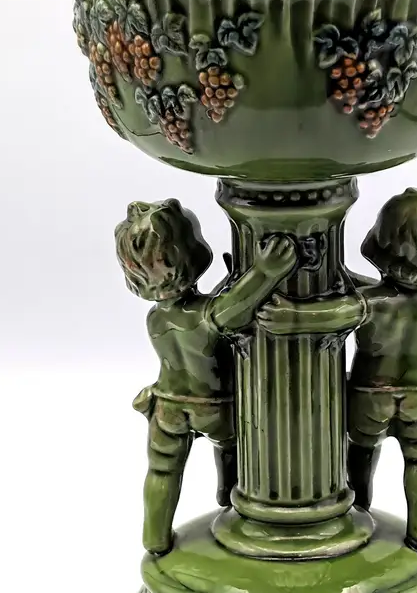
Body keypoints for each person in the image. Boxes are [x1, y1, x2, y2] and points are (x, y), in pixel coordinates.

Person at [115, 200, 297, 555]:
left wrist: (234, 283)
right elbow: (232, 311)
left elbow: (218, 307)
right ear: (188, 254)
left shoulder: (157, 318)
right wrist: (265, 272)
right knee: (234, 448)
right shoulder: (203, 315)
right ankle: (229, 499)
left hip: (166, 406)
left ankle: (155, 536)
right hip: (215, 406)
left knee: (163, 471)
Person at [346, 187, 417, 552]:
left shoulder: (369, 305)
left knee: (361, 450)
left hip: (370, 394)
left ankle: (356, 506)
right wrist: (345, 276)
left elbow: (350, 307)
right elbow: (389, 294)